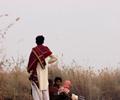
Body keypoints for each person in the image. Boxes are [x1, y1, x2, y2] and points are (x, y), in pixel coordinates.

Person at [27, 35, 57, 100]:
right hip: (44, 74)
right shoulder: (46, 49)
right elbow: (55, 58)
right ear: (43, 41)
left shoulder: (34, 51)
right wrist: (47, 62)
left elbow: (30, 65)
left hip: (37, 75)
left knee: (36, 91)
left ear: (36, 42)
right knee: (45, 90)